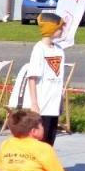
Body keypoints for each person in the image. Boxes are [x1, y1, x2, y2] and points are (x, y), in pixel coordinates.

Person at [13, 13, 68, 145]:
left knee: (50, 139)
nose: (62, 31)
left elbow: (59, 77)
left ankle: (46, 164)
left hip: (53, 104)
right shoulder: (39, 49)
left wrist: (60, 100)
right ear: (51, 29)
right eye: (60, 28)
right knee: (39, 140)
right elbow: (32, 77)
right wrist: (34, 103)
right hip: (42, 104)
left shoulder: (60, 50)